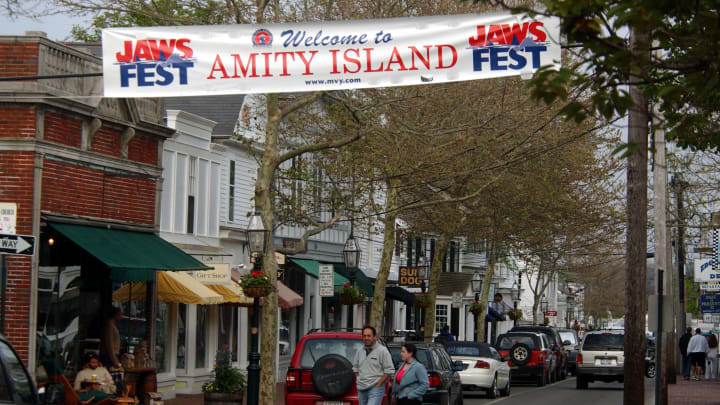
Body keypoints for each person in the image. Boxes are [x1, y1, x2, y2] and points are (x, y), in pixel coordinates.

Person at [353, 326, 394, 405]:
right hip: (361, 387)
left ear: (375, 336)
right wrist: (358, 379)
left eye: (369, 336)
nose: (366, 338)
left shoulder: (382, 351)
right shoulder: (359, 351)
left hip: (375, 387)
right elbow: (355, 367)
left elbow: (389, 370)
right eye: (364, 336)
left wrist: (379, 384)